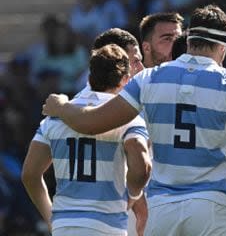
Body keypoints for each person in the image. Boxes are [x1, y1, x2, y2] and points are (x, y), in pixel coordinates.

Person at [42, 5, 226, 236]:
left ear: (188, 39)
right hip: (211, 206)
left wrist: (61, 106)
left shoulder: (148, 78)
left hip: (162, 208)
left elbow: (91, 123)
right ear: (222, 46)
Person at [22, 44, 152, 235]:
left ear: (89, 78)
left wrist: (53, 219)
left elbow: (29, 174)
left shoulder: (55, 117)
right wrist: (132, 196)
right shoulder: (129, 118)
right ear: (125, 80)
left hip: (64, 226)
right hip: (107, 226)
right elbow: (142, 169)